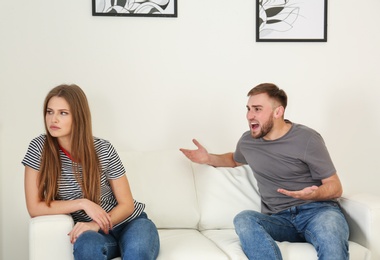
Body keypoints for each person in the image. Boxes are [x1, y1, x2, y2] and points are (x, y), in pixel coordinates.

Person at [180, 83, 349, 260]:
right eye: (248, 109)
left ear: (278, 112)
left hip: (317, 212)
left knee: (331, 230)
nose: (249, 116)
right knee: (244, 219)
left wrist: (313, 194)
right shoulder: (248, 142)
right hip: (279, 219)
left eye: (257, 109)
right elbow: (234, 159)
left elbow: (335, 186)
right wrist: (208, 158)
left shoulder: (307, 139)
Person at [22, 84, 160, 260]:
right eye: (50, 112)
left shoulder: (103, 149)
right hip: (94, 234)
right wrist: (82, 203)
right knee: (87, 246)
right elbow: (34, 207)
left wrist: (96, 223)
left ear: (78, 116)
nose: (53, 119)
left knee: (137, 252)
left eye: (63, 113)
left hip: (130, 224)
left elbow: (127, 204)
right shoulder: (39, 148)